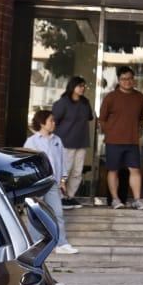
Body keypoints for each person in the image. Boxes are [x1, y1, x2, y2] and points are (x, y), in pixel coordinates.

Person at [26, 110, 78, 256]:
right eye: (51, 121)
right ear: (42, 123)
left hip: (52, 183)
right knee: (35, 213)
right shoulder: (32, 141)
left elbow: (62, 161)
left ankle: (61, 243)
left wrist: (63, 180)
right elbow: (27, 163)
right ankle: (35, 243)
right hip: (37, 183)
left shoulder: (57, 140)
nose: (54, 123)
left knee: (57, 213)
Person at [99, 66, 143, 209]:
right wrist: (110, 132)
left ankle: (137, 200)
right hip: (113, 141)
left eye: (130, 78)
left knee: (135, 170)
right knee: (113, 169)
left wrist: (139, 135)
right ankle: (115, 199)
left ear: (134, 80)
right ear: (119, 80)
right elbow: (102, 119)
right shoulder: (110, 97)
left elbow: (141, 120)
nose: (127, 81)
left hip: (132, 141)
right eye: (123, 79)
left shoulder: (140, 97)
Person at [51, 77, 93, 207]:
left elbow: (90, 117)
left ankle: (70, 196)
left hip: (81, 142)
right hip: (65, 141)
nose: (82, 88)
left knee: (77, 172)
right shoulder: (63, 103)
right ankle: (60, 196)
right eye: (80, 86)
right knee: (65, 171)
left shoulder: (85, 102)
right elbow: (54, 121)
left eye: (83, 86)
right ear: (72, 86)